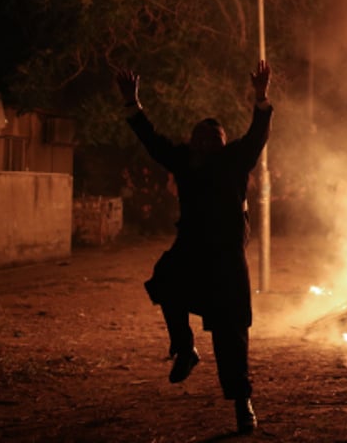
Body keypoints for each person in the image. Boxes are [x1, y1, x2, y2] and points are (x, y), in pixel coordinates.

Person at [116, 60, 272, 435]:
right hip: (192, 251)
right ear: (191, 143)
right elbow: (152, 141)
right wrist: (132, 104)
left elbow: (257, 135)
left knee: (230, 335)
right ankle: (184, 348)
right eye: (199, 138)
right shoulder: (185, 163)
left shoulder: (235, 162)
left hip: (227, 261)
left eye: (213, 139)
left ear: (221, 144)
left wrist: (262, 97)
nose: (204, 143)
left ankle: (242, 403)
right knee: (165, 280)